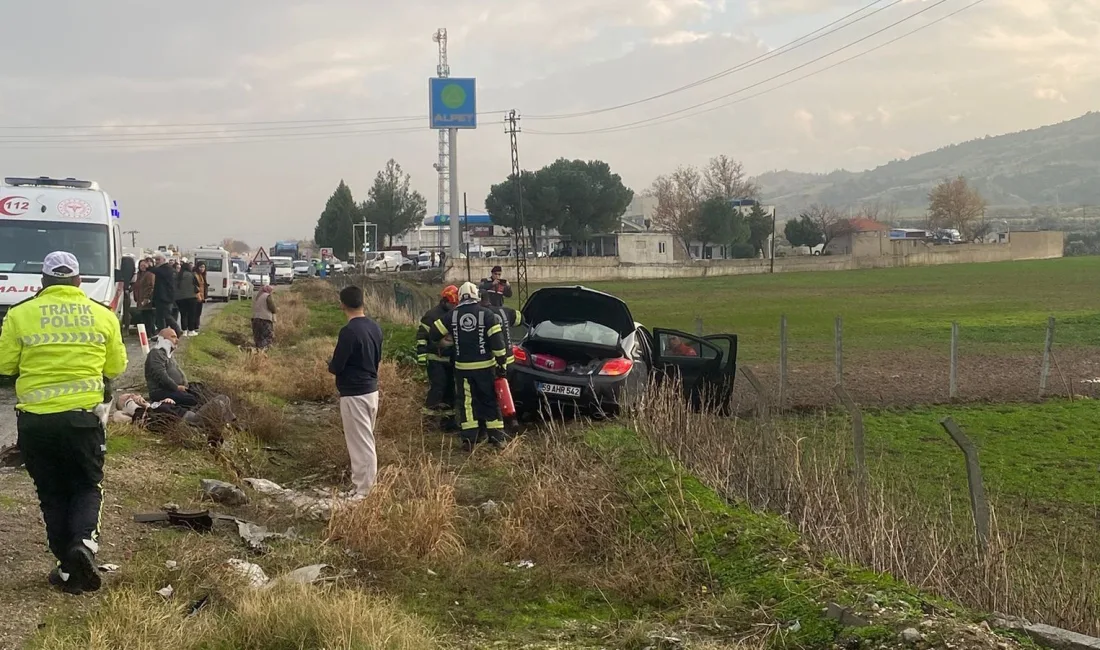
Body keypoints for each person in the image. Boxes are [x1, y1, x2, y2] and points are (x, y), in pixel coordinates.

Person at [0, 251, 127, 595]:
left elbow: (5, 366)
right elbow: (115, 368)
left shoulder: (19, 314)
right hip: (82, 421)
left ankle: (67, 571)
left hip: (35, 423)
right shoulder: (102, 315)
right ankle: (83, 546)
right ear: (77, 281)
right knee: (87, 485)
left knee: (52, 493)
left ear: (43, 282)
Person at [429, 282, 508, 450]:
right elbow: (498, 344)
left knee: (467, 403)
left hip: (463, 368)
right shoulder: (487, 315)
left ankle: (469, 440)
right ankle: (497, 438)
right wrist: (502, 364)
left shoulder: (452, 315)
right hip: (486, 368)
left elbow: (434, 333)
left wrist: (448, 341)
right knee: (489, 400)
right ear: (476, 296)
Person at [328, 286, 384, 498]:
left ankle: (365, 492)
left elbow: (337, 365)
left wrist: (330, 365)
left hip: (354, 393)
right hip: (371, 390)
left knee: (361, 444)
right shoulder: (375, 327)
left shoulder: (349, 331)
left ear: (342, 304)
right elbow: (377, 357)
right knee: (364, 439)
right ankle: (360, 486)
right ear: (362, 302)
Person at [417, 285, 459, 430]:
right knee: (437, 388)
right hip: (435, 358)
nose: (455, 306)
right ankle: (429, 421)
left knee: (450, 390)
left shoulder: (455, 314)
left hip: (450, 359)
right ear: (445, 300)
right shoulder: (432, 315)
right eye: (453, 304)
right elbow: (422, 336)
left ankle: (448, 422)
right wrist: (422, 356)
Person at [144, 328, 199, 407]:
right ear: (163, 339)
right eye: (173, 337)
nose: (177, 340)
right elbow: (160, 375)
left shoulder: (167, 355)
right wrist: (176, 387)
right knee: (192, 399)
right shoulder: (155, 353)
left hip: (174, 388)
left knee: (200, 389)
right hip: (161, 391)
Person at [480, 289, 523, 366]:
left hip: (494, 362)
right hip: (510, 359)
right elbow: (521, 319)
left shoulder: (481, 315)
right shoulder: (504, 310)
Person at [151, 254, 180, 335]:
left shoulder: (166, 269)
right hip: (161, 297)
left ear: (164, 260)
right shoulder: (163, 269)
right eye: (155, 260)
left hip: (165, 297)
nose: (156, 262)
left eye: (158, 259)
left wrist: (149, 267)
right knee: (160, 317)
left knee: (166, 315)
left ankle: (177, 330)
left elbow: (156, 271)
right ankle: (162, 333)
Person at [133, 258, 157, 337]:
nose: (142, 267)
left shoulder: (149, 274)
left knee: (148, 318)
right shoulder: (139, 275)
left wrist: (147, 298)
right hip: (140, 299)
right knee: (145, 317)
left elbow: (151, 286)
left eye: (144, 265)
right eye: (141, 265)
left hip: (146, 300)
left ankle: (150, 334)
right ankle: (151, 334)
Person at [175, 262, 200, 337]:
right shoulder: (191, 275)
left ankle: (184, 330)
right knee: (191, 314)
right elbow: (197, 284)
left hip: (180, 298)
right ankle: (191, 330)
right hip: (191, 297)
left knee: (183, 314)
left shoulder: (178, 275)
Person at [251, 285, 277, 350]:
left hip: (255, 319)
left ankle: (257, 353)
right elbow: (272, 308)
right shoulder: (267, 296)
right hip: (265, 320)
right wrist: (276, 310)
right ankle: (263, 352)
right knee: (266, 337)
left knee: (258, 338)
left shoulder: (258, 296)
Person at [194, 261, 209, 336]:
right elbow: (196, 287)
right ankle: (194, 327)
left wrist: (205, 297)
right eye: (200, 267)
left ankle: (196, 326)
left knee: (198, 313)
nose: (202, 269)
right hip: (196, 297)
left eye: (203, 267)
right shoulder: (195, 275)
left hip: (201, 297)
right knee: (195, 312)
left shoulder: (203, 275)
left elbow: (204, 287)